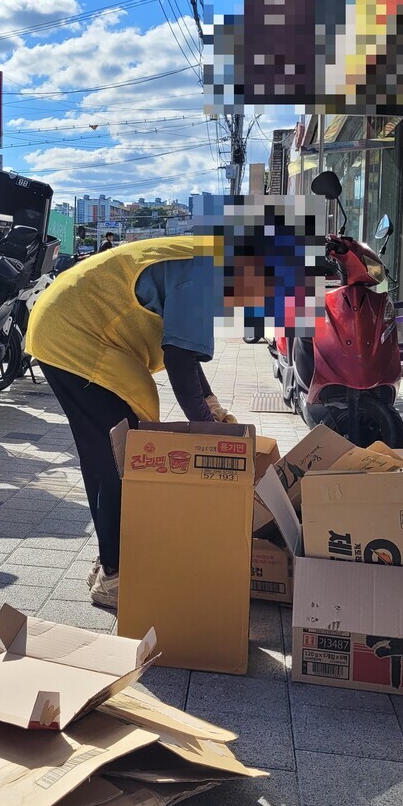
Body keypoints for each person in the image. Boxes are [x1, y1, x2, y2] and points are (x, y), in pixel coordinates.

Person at [27, 235, 245, 610]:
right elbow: (178, 359)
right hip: (74, 337)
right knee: (120, 462)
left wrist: (210, 404)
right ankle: (114, 573)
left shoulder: (205, 257)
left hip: (67, 328)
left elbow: (185, 350)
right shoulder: (206, 271)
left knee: (106, 460)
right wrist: (210, 428)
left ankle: (108, 562)